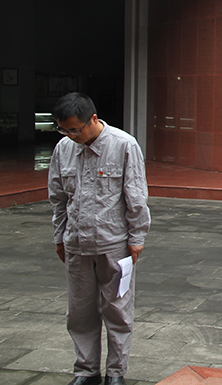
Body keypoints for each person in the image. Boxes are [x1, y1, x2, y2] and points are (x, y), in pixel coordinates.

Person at [49, 92, 151, 385]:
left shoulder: (124, 145)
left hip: (114, 244)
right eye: (64, 130)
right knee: (79, 312)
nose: (71, 136)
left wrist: (137, 237)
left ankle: (116, 373)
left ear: (93, 119)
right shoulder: (63, 148)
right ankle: (86, 371)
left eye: (75, 129)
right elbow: (58, 197)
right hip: (76, 244)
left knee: (117, 310)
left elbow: (136, 196)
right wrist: (59, 236)